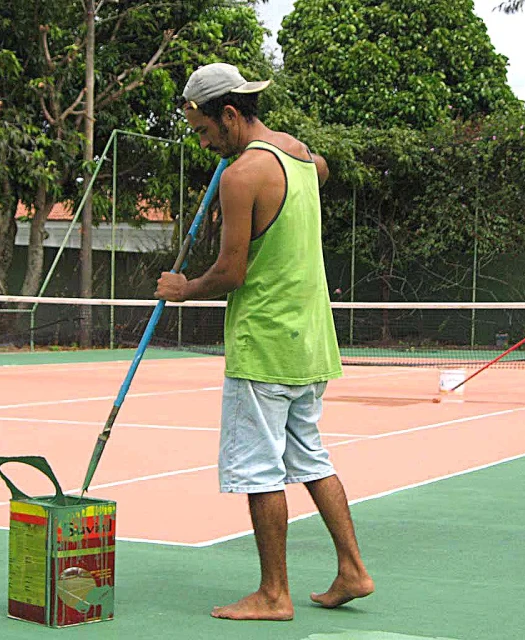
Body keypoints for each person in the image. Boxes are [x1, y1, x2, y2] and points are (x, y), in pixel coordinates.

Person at [155, 63, 374, 621]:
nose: (204, 144)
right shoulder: (301, 156)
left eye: (205, 131)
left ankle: (274, 594)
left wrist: (184, 288)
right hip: (311, 341)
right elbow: (321, 169)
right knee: (310, 457)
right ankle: (352, 569)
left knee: (259, 470)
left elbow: (231, 274)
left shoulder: (241, 175)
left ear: (230, 115)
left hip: (265, 341)